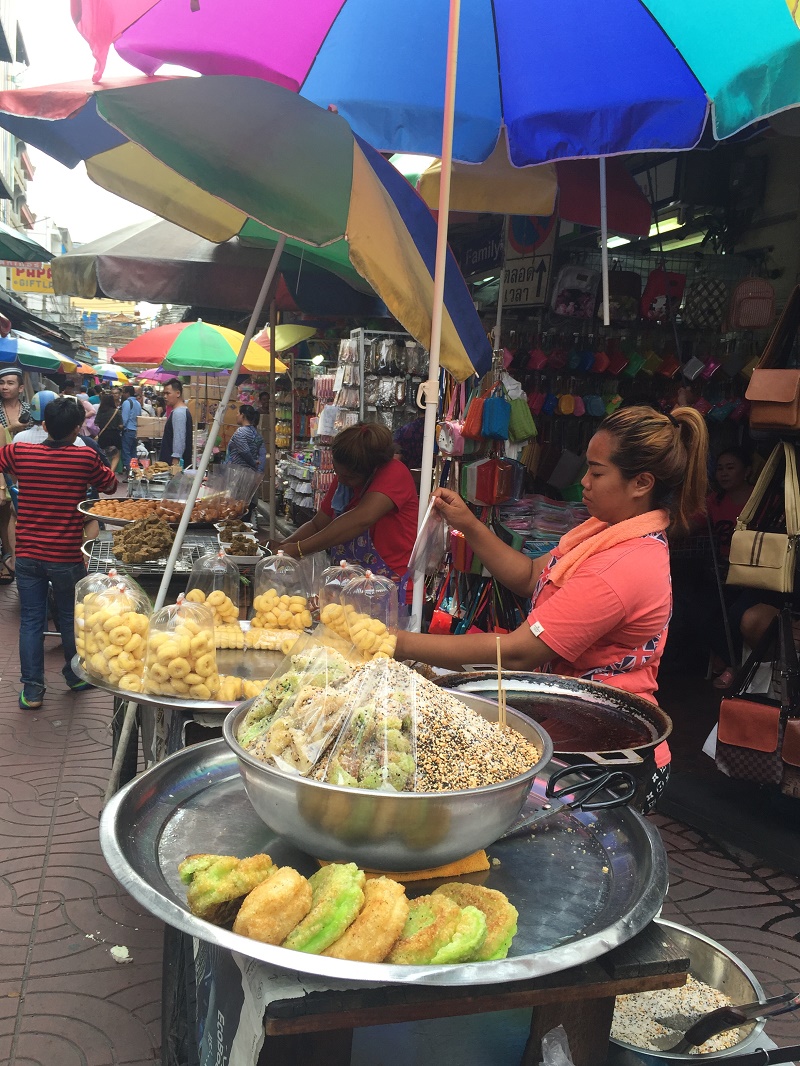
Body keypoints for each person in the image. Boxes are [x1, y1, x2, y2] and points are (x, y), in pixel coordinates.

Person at [395, 405, 709, 705]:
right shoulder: (603, 530)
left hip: (600, 731)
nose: (584, 482)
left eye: (597, 473)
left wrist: (397, 643)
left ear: (641, 483)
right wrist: (469, 524)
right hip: (569, 706)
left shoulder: (623, 566)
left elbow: (520, 651)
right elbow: (532, 576)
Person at [0, 395, 118, 709]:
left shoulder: (20, 451)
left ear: (44, 425)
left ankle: (33, 691)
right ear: (77, 428)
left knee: (31, 622)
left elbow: (2, 460)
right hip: (65, 555)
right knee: (69, 618)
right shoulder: (84, 457)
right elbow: (109, 485)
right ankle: (74, 675)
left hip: (26, 554)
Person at [277, 422, 418, 584]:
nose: (341, 480)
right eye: (337, 473)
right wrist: (283, 547)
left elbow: (361, 519)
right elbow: (318, 524)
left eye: (348, 477)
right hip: (350, 586)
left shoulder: (394, 473)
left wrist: (298, 549)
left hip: (391, 586)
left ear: (371, 470)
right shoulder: (345, 479)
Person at [703, 448, 755, 689]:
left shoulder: (761, 499)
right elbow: (692, 521)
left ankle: (736, 667)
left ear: (747, 472)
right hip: (723, 572)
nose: (723, 473)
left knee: (736, 616)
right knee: (705, 614)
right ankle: (727, 659)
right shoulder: (715, 501)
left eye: (730, 467)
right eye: (720, 468)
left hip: (753, 572)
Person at [0, 367, 30, 581]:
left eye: (10, 383)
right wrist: (12, 428)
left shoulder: (30, 410)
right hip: (2, 467)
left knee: (16, 514)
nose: (4, 387)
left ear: (20, 388)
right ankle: (7, 559)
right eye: (2, 383)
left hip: (23, 468)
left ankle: (15, 559)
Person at [160, 378, 193, 469]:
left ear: (178, 393)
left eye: (168, 393)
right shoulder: (179, 411)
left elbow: (179, 438)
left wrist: (176, 460)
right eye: (164, 394)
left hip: (174, 464)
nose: (165, 397)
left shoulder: (179, 413)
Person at [225, 405, 266, 471]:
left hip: (237, 472)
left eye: (237, 413)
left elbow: (244, 451)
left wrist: (253, 462)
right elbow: (262, 455)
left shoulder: (241, 432)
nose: (236, 416)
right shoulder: (258, 435)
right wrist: (259, 471)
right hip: (251, 473)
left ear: (242, 415)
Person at [95, 391, 123, 470]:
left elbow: (96, 423)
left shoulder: (100, 411)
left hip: (103, 435)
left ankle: (103, 470)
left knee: (103, 455)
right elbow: (121, 425)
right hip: (114, 435)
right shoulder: (116, 412)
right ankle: (111, 472)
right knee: (116, 456)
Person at [119, 384, 142, 474]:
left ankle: (130, 472)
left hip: (128, 430)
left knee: (126, 452)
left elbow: (125, 418)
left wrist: (121, 427)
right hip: (136, 431)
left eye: (124, 392)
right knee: (133, 452)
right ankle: (135, 471)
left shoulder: (127, 403)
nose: (123, 394)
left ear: (127, 393)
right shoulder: (137, 403)